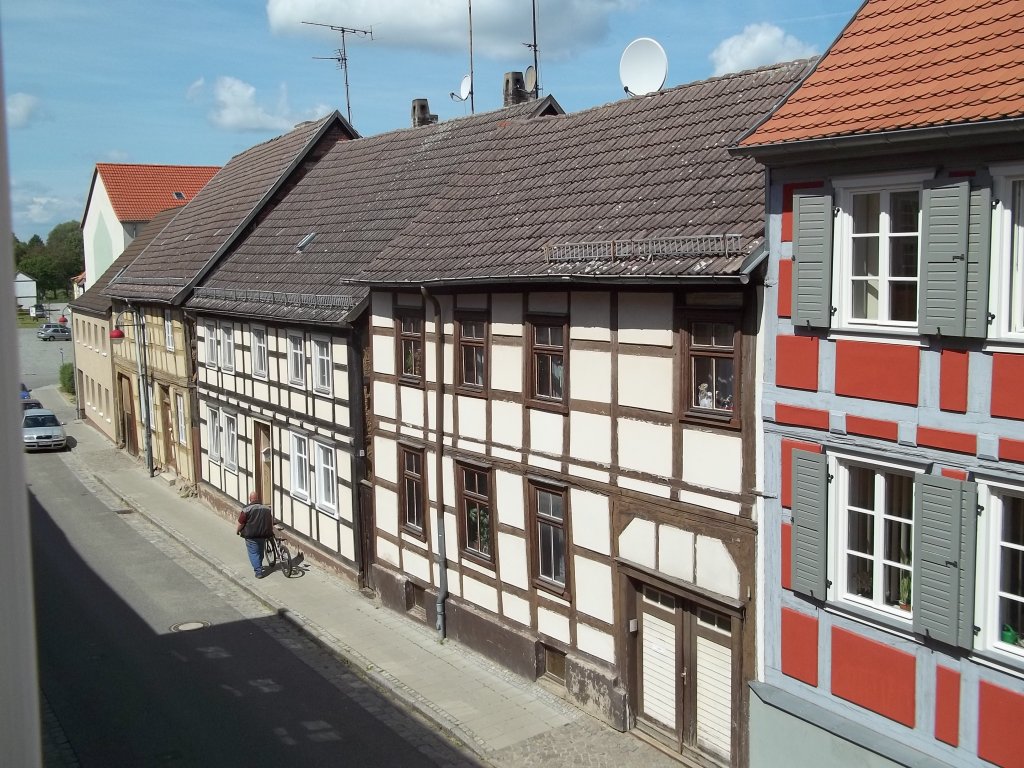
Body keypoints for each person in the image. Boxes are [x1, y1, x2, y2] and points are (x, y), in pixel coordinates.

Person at [237, 491, 274, 578]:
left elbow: (241, 522)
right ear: (257, 498)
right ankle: (259, 566)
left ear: (250, 499)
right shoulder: (267, 509)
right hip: (263, 534)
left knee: (253, 553)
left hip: (251, 535)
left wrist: (237, 531)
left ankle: (258, 571)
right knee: (260, 552)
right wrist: (270, 530)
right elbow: (270, 521)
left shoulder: (246, 509)